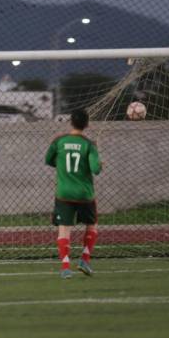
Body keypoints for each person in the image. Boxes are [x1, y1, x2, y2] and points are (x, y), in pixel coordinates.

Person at [45, 110, 102, 279]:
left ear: (71, 122)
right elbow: (95, 170)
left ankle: (65, 268)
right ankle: (84, 260)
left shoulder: (59, 141)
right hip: (85, 194)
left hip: (64, 193)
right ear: (87, 124)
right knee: (92, 225)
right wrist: (100, 162)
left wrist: (62, 163)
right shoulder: (89, 144)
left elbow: (48, 160)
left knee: (64, 230)